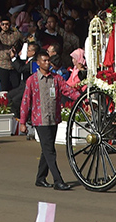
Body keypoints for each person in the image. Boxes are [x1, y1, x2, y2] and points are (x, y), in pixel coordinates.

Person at [19, 50, 80, 191]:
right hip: (40, 121)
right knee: (50, 150)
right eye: (44, 61)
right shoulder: (32, 80)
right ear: (38, 63)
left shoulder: (56, 78)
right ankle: (58, 180)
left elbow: (68, 91)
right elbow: (25, 101)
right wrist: (22, 122)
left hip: (53, 119)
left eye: (48, 60)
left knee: (46, 150)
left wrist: (83, 98)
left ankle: (40, 178)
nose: (47, 63)